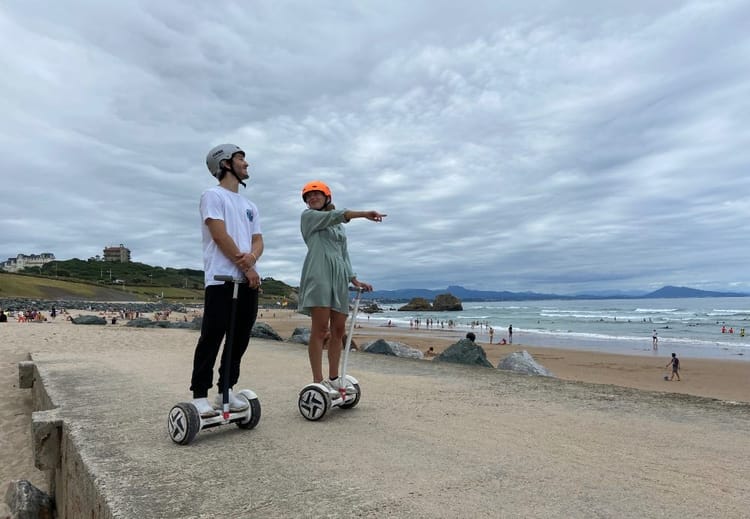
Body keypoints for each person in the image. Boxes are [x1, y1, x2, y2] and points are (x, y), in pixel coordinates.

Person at [189, 144, 264, 418]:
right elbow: (219, 235)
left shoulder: (250, 205)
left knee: (239, 338)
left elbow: (258, 239)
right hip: (221, 279)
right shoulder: (212, 195)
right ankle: (199, 395)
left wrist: (252, 260)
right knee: (212, 336)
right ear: (225, 164)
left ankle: (226, 389)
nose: (246, 163)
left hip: (247, 281)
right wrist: (245, 265)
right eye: (241, 158)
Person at [298, 180, 385, 396]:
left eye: (317, 195)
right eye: (309, 197)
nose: (312, 198)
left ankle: (334, 378)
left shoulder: (337, 226)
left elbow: (343, 254)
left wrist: (353, 279)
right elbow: (335, 216)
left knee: (338, 330)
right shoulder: (309, 217)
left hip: (338, 278)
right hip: (319, 274)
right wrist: (364, 213)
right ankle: (318, 381)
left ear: (327, 197)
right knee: (320, 330)